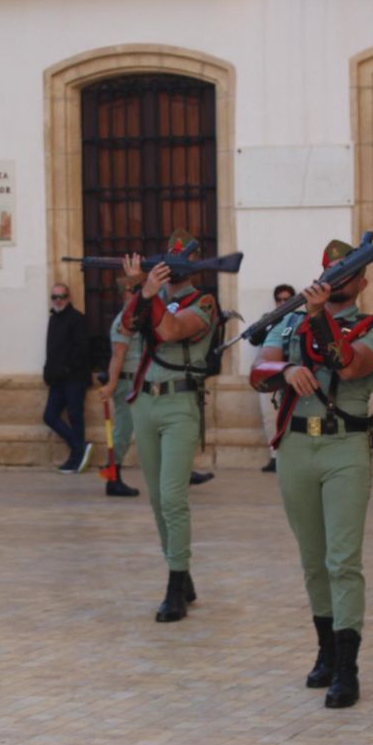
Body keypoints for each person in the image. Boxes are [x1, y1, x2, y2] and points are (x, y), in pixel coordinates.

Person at [251, 242, 373, 708]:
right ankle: (326, 652)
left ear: (362, 282)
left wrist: (316, 318)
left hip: (343, 448)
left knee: (342, 560)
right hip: (296, 446)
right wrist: (287, 367)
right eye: (332, 270)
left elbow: (348, 364)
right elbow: (259, 370)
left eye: (347, 272)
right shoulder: (289, 322)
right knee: (313, 560)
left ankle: (348, 667)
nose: (338, 279)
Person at [119, 231, 219, 623]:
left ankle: (175, 585)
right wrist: (139, 290)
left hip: (179, 403)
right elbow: (127, 326)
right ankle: (182, 573)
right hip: (145, 401)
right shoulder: (152, 296)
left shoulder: (204, 302)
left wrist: (146, 292)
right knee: (158, 500)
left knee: (174, 496)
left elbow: (171, 330)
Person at [42, 282, 92, 473]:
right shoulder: (53, 320)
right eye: (54, 297)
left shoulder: (77, 319)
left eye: (62, 296)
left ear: (68, 298)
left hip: (74, 378)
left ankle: (76, 457)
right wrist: (48, 371)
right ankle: (80, 447)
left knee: (75, 416)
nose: (58, 300)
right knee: (49, 416)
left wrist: (66, 368)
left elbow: (82, 349)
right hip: (57, 379)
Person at [99, 305, 141, 498]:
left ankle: (181, 472)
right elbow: (118, 353)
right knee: (123, 431)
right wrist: (111, 385)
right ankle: (112, 479)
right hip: (127, 383)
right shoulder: (125, 319)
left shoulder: (141, 317)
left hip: (140, 381)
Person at [258, 283, 295, 473]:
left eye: (287, 299)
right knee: (269, 416)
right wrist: (269, 323)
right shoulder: (270, 318)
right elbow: (254, 339)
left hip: (291, 375)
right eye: (279, 300)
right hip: (271, 374)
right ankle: (275, 456)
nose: (282, 303)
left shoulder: (298, 319)